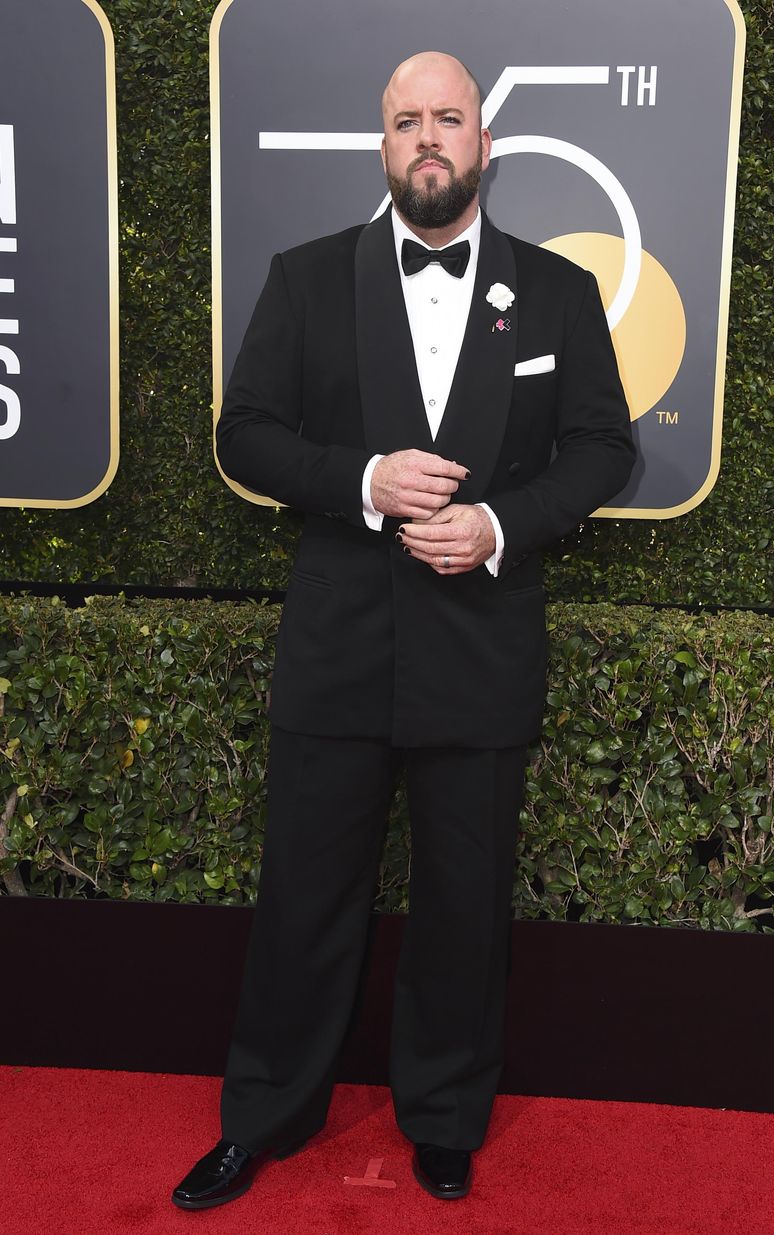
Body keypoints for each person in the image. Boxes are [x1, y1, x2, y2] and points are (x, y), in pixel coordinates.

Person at [172, 50, 635, 1210]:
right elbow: (247, 435)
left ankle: (443, 1116)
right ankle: (266, 1111)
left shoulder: (558, 292)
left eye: (447, 119)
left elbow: (600, 450)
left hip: (481, 644)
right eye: (404, 122)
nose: (426, 138)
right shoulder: (308, 277)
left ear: (483, 142)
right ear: (383, 147)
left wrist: (494, 523)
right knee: (303, 898)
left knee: (465, 908)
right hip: (336, 648)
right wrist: (366, 478)